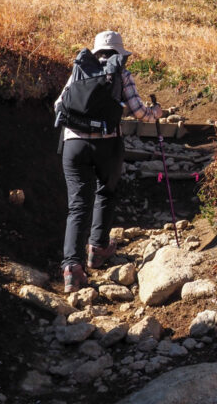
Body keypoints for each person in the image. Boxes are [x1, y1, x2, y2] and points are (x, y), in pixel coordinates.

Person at [55, 30, 161, 293]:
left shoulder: (79, 69)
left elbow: (59, 104)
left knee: (77, 206)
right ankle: (98, 248)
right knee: (106, 191)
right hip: (106, 143)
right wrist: (155, 112)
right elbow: (139, 113)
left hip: (73, 144)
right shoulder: (121, 73)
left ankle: (72, 268)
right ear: (119, 54)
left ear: (96, 51)